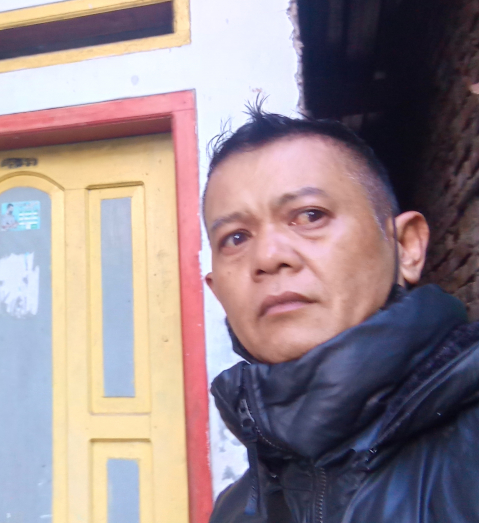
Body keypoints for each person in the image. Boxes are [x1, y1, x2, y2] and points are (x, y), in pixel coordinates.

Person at [203, 104, 479, 522]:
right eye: (235, 238)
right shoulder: (234, 510)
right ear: (216, 290)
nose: (269, 256)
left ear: (406, 246)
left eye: (310, 216)